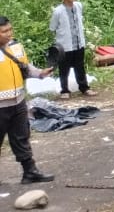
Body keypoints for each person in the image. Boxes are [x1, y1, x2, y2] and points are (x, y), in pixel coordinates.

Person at [0, 16, 55, 184]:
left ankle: (30, 172)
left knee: (21, 137)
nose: (9, 34)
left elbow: (25, 66)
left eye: (10, 30)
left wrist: (40, 73)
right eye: (4, 32)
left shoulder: (16, 46)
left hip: (18, 102)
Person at [48, 0, 96, 100]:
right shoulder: (58, 11)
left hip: (79, 42)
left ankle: (84, 87)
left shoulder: (78, 6)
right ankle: (65, 90)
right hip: (65, 45)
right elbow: (52, 28)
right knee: (64, 68)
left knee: (80, 66)